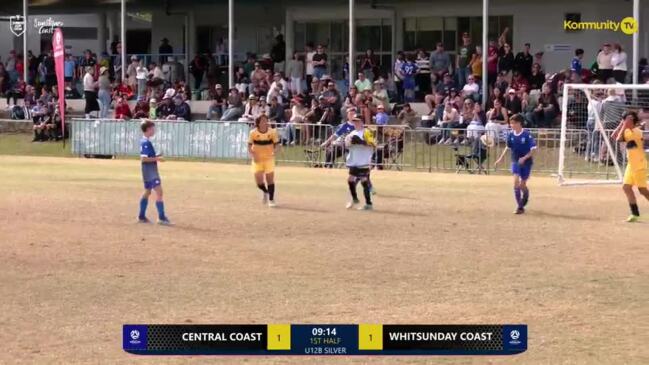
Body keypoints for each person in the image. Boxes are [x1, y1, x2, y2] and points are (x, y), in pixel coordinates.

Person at [494, 114, 536, 214]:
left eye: (513, 123)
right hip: (515, 160)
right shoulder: (511, 135)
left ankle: (525, 194)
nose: (511, 125)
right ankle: (520, 207)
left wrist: (525, 158)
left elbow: (533, 150)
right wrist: (500, 158)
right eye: (510, 123)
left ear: (519, 123)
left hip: (526, 162)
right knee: (516, 181)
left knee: (522, 185)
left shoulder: (527, 135)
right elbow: (507, 147)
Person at [613, 111, 649, 222]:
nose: (625, 122)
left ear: (632, 121)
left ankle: (635, 214)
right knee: (626, 187)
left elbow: (619, 139)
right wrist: (622, 123)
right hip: (631, 165)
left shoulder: (637, 132)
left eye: (627, 120)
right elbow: (613, 136)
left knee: (642, 190)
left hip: (639, 164)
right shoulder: (627, 131)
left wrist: (624, 125)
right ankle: (635, 214)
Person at [138, 120, 171, 225]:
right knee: (159, 192)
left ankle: (141, 216)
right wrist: (157, 159)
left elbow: (147, 157)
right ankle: (161, 218)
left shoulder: (145, 141)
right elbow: (143, 159)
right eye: (153, 128)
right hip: (150, 172)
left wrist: (156, 155)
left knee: (147, 192)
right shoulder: (145, 142)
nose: (154, 130)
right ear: (148, 129)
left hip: (147, 171)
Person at [344, 116, 376, 210]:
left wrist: (362, 142)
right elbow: (347, 145)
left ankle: (368, 204)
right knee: (350, 180)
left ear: (362, 122)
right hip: (354, 160)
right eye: (354, 121)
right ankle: (354, 199)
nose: (356, 123)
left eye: (358, 121)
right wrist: (348, 143)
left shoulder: (367, 132)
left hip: (363, 160)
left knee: (363, 181)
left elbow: (373, 144)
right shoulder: (352, 133)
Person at [248, 114, 280, 207]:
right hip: (257, 159)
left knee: (270, 179)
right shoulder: (253, 133)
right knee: (259, 182)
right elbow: (249, 146)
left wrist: (275, 151)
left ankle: (271, 199)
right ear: (258, 122)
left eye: (266, 121)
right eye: (262, 121)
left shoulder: (272, 132)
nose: (264, 123)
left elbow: (277, 145)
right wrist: (253, 155)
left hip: (269, 158)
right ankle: (265, 192)